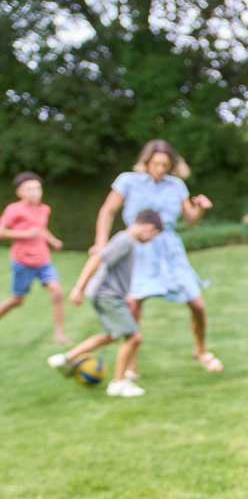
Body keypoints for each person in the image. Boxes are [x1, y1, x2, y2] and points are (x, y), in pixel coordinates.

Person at [93, 139, 222, 374]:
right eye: (156, 164)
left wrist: (200, 207)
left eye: (165, 165)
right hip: (138, 250)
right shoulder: (127, 181)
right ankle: (129, 368)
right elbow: (107, 210)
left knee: (197, 304)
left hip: (170, 249)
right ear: (146, 162)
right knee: (133, 307)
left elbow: (190, 220)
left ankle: (201, 351)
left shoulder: (177, 185)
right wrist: (101, 241)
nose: (160, 169)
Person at [49, 210, 163, 397]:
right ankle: (118, 383)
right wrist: (79, 288)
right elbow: (98, 258)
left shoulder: (127, 241)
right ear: (149, 227)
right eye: (153, 235)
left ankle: (65, 358)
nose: (151, 239)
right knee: (134, 337)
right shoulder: (124, 240)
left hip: (110, 294)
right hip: (106, 294)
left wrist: (125, 296)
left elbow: (113, 271)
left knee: (111, 336)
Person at [0, 171, 68, 344]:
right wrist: (25, 233)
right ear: (20, 192)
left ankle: (59, 336)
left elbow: (41, 228)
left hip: (44, 261)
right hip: (23, 262)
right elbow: (1, 231)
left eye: (37, 188)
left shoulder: (44, 209)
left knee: (57, 293)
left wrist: (52, 240)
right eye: (29, 189)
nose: (34, 192)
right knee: (17, 300)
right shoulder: (14, 210)